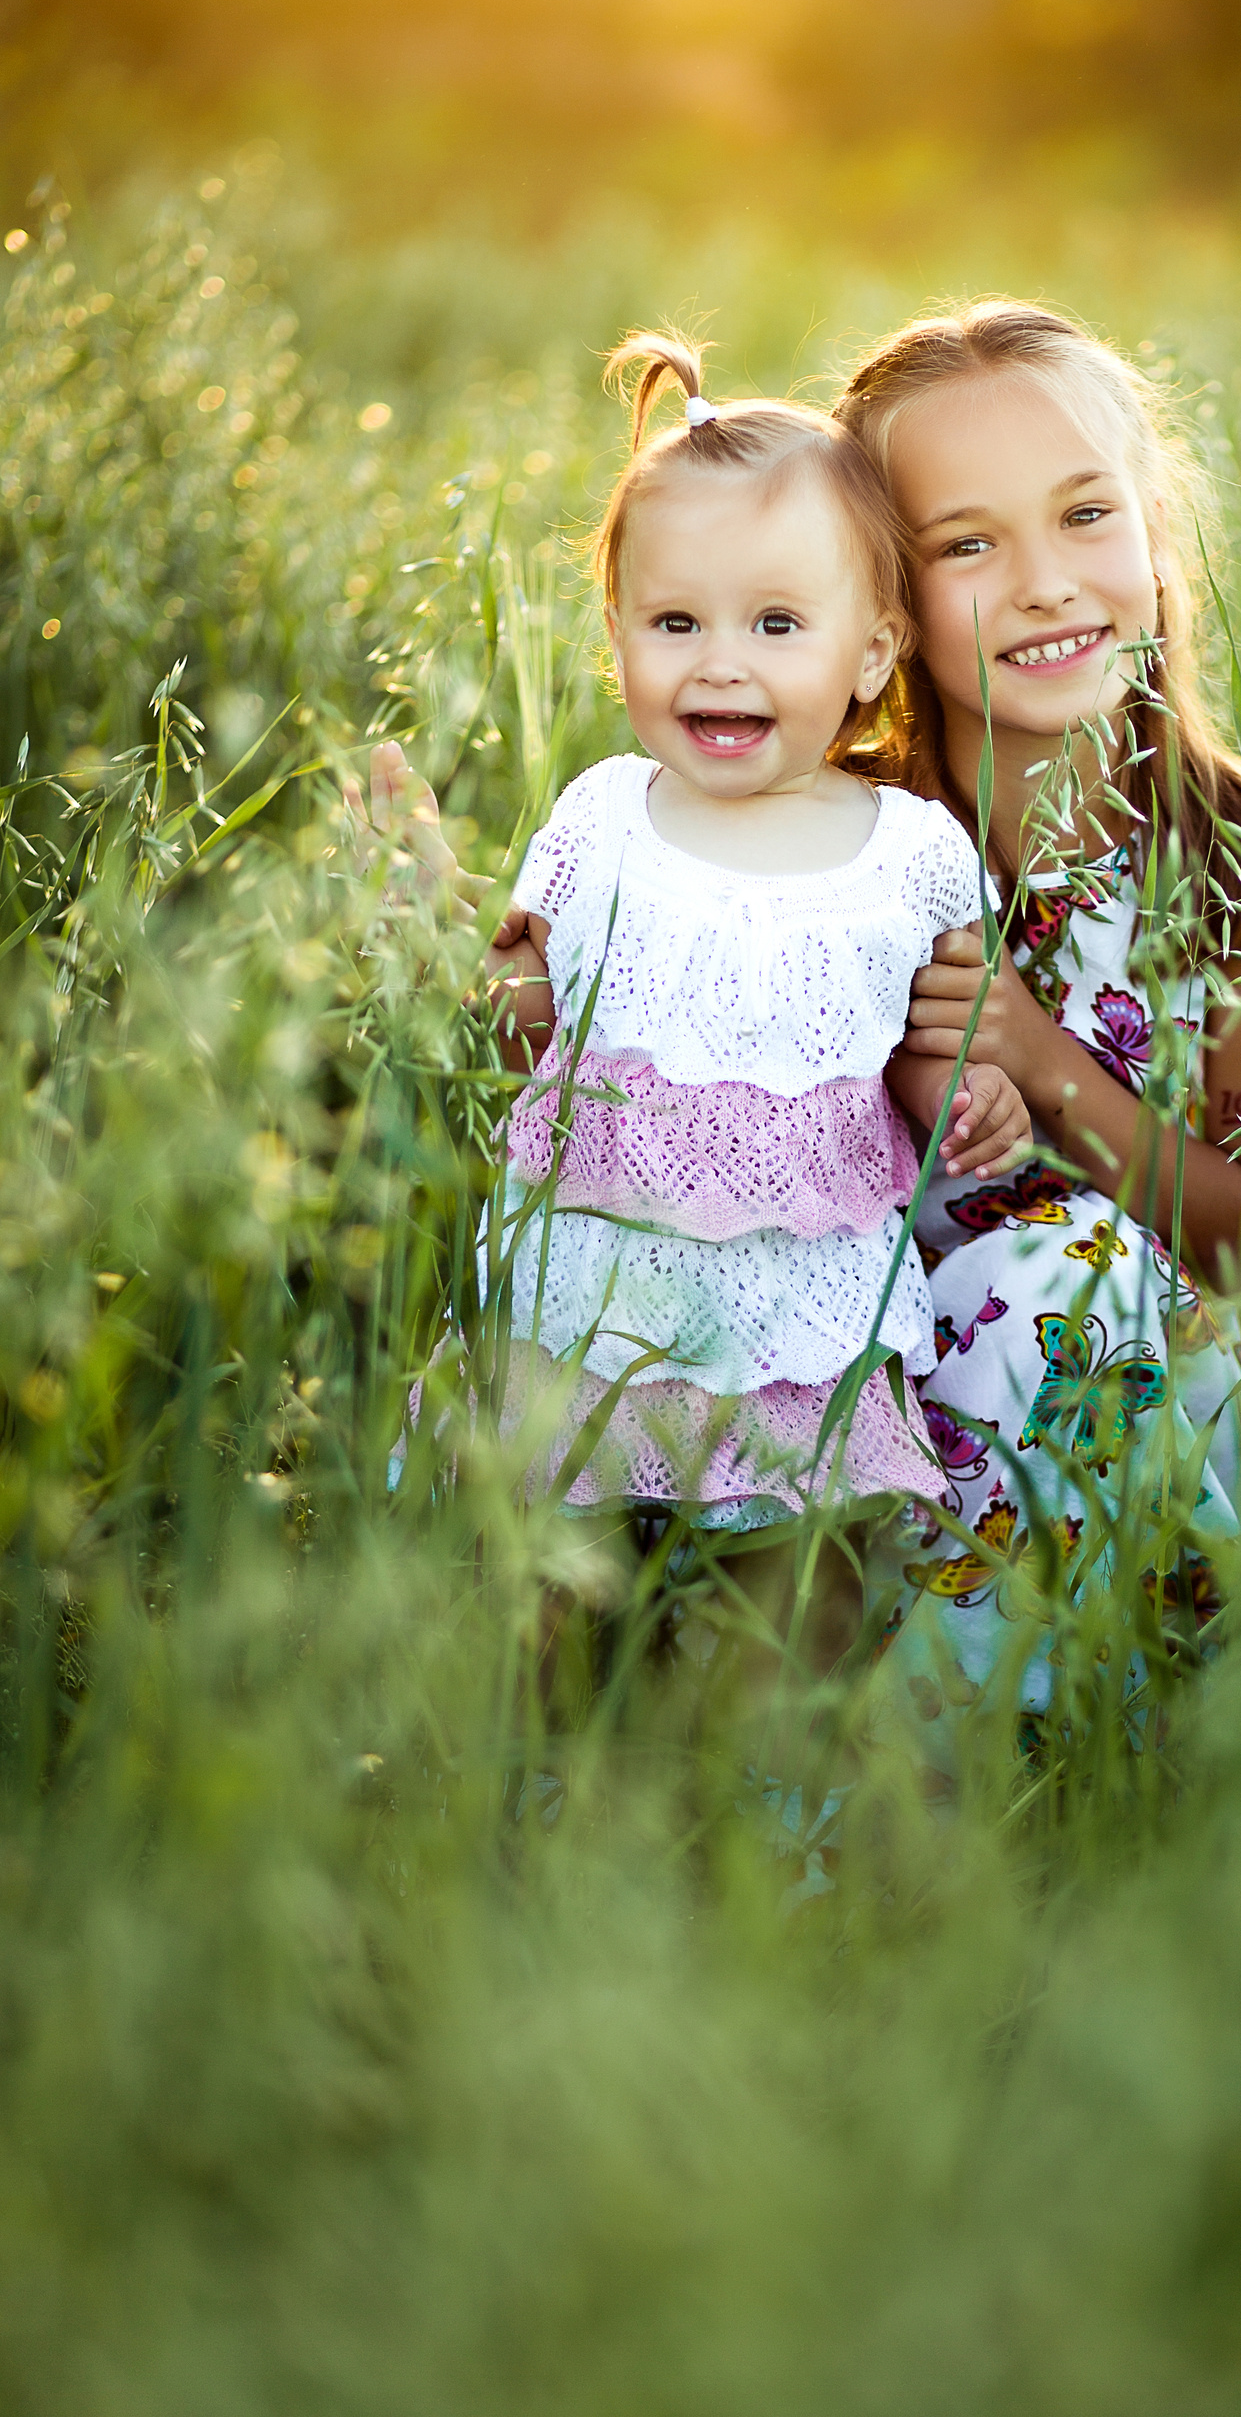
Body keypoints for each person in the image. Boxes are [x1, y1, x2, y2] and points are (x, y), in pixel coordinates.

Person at [398, 331, 1029, 1701]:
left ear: (872, 653)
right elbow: (527, 1019)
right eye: (675, 624)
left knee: (812, 1568)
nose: (720, 666)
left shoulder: (910, 852)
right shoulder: (603, 820)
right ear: (619, 632)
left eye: (775, 625)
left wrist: (979, 1101)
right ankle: (547, 1764)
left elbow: (937, 1052)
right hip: (598, 1290)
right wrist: (450, 927)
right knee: (553, 1564)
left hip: (803, 1301)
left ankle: (744, 1770)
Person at [830, 300, 1241, 1741]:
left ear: (1156, 525)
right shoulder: (848, 835)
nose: (1045, 583)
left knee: (1056, 1280)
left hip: (1137, 1401)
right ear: (885, 601)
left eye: (1086, 514)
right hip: (887, 1396)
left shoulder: (1232, 844)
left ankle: (1015, 1751)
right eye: (968, 544)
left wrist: (1047, 1068)